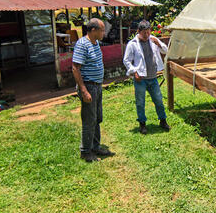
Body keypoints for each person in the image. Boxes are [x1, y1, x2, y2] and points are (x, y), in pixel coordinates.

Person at [71, 18, 114, 161]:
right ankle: (85, 151)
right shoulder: (82, 44)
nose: (104, 32)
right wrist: (84, 91)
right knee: (89, 120)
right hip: (89, 86)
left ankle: (95, 146)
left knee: (97, 118)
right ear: (93, 30)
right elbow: (75, 68)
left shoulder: (95, 43)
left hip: (97, 86)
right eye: (102, 30)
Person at [123, 20, 170, 134]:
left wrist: (158, 43)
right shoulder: (132, 44)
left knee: (158, 100)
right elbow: (126, 60)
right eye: (144, 33)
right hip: (141, 79)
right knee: (140, 102)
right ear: (138, 31)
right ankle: (142, 124)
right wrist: (134, 72)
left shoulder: (153, 40)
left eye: (148, 32)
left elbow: (166, 50)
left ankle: (162, 121)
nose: (147, 35)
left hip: (153, 77)